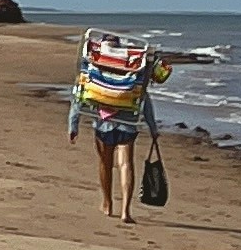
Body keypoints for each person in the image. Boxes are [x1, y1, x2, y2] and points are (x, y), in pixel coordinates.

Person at [66, 29, 172, 224]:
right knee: (126, 165)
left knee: (105, 164)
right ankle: (126, 211)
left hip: (103, 122)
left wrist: (73, 125)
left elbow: (78, 96)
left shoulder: (95, 65)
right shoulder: (129, 66)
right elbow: (143, 98)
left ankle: (107, 203)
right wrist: (153, 128)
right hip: (127, 123)